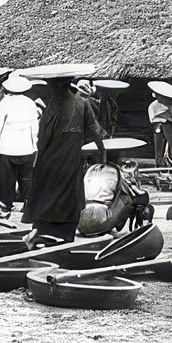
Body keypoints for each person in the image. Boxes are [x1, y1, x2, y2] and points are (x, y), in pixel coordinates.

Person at [21, 76, 105, 243]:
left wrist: (38, 157)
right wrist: (102, 150)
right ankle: (66, 233)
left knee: (46, 192)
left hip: (51, 158)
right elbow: (94, 130)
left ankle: (42, 230)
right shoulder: (82, 103)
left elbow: (43, 136)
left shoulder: (54, 104)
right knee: (70, 193)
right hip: (72, 158)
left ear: (58, 85)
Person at [0, 74, 40, 215]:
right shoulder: (30, 103)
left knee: (7, 179)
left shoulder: (5, 102)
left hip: (8, 147)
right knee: (26, 178)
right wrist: (35, 144)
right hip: (27, 147)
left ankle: (6, 203)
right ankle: (28, 204)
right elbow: (35, 126)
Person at [148, 89, 172, 166]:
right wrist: (163, 118)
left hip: (169, 125)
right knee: (159, 145)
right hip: (158, 125)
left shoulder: (168, 105)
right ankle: (159, 164)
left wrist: (168, 118)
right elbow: (152, 119)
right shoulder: (152, 106)